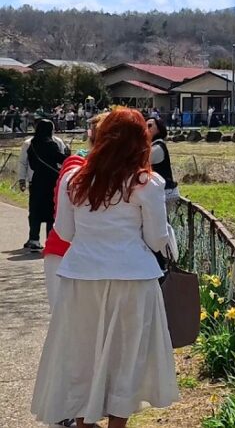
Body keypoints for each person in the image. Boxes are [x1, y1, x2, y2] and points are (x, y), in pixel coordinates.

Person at [31, 108, 179, 427]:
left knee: (83, 358)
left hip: (82, 276)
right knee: (127, 359)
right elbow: (156, 239)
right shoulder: (146, 182)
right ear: (140, 142)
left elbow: (65, 232)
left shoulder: (75, 178)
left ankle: (83, 421)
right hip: (133, 278)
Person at [43, 111, 107, 313]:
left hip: (99, 259)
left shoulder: (124, 173)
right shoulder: (76, 165)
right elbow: (63, 223)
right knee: (66, 325)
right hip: (65, 253)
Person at [18, 119, 70, 251]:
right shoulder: (52, 144)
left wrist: (22, 179)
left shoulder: (32, 144)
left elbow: (28, 163)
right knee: (52, 211)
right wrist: (69, 156)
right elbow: (60, 159)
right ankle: (49, 240)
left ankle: (34, 239)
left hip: (36, 180)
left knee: (35, 209)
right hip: (52, 180)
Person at [146, 116, 179, 212]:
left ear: (159, 129)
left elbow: (139, 162)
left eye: (150, 125)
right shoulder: (153, 146)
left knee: (162, 223)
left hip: (165, 192)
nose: (146, 128)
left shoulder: (158, 147)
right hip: (160, 192)